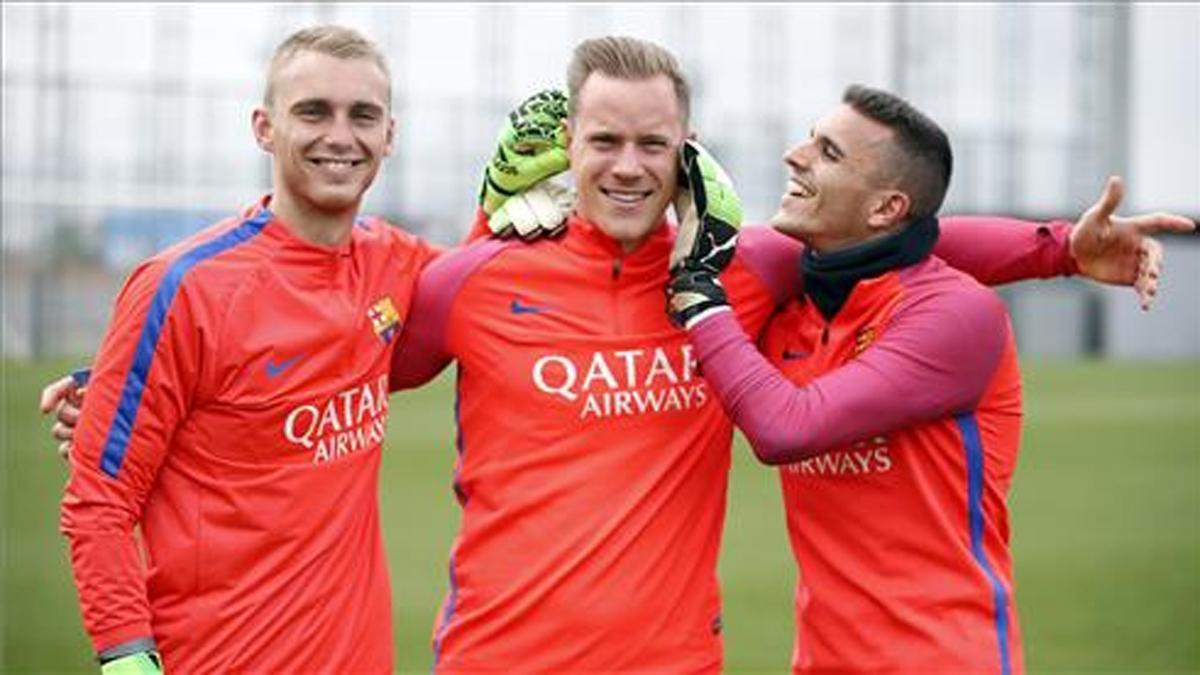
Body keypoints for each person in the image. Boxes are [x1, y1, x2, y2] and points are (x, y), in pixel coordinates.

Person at [43, 36, 1191, 674]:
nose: (628, 163)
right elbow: (329, 347)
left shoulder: (740, 271)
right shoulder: (470, 280)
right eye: (604, 140)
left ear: (681, 146)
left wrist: (1055, 249)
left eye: (653, 141)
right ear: (570, 148)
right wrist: (125, 400)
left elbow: (889, 233)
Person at [665, 85, 1191, 673]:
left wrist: (700, 302)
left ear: (887, 207)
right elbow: (915, 240)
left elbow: (785, 428)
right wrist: (1059, 246)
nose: (795, 155)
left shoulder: (957, 316)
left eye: (829, 152)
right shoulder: (798, 300)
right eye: (810, 140)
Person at [55, 25, 440, 674]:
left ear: (389, 136)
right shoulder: (183, 286)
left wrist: (513, 204)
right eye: (313, 111)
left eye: (362, 115)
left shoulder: (396, 263)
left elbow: (494, 291)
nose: (340, 135)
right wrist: (125, 657)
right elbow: (99, 500)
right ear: (264, 127)